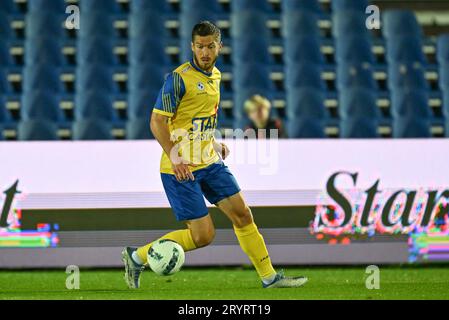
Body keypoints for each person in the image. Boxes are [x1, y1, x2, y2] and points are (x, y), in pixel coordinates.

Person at [121, 21, 307, 289]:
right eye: (199, 47)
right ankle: (137, 256)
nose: (205, 52)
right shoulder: (178, 79)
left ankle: (269, 277)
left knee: (243, 214)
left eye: (210, 46)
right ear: (192, 47)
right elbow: (157, 122)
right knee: (203, 236)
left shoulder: (216, 76)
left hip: (209, 161)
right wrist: (175, 156)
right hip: (180, 169)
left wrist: (213, 142)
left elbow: (198, 119)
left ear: (219, 46)